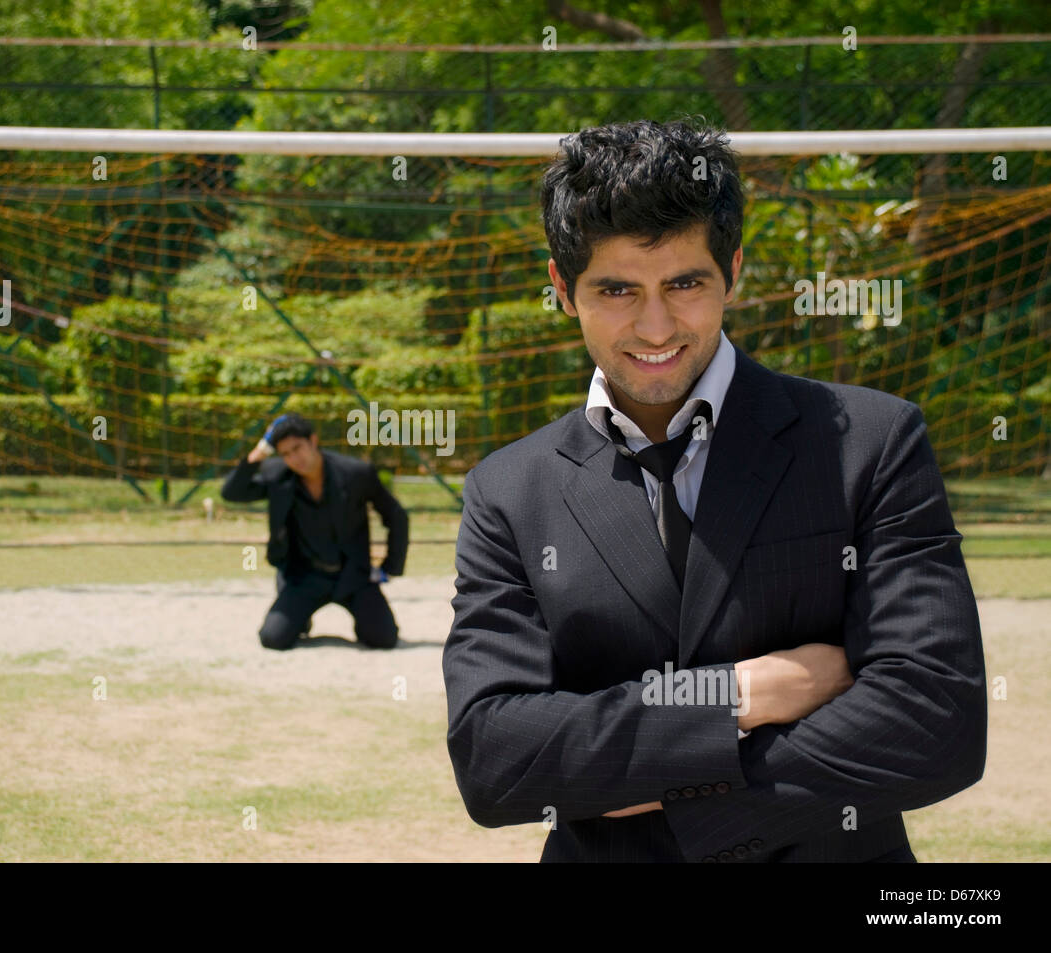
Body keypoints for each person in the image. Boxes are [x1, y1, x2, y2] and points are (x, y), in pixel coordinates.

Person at [442, 119, 987, 863]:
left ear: (732, 269)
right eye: (617, 289)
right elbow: (496, 759)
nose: (656, 324)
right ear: (562, 289)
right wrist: (736, 694)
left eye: (685, 283)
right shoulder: (507, 490)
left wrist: (675, 787)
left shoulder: (869, 440)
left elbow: (938, 721)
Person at [221, 413, 408, 650]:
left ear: (313, 440)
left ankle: (364, 618)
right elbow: (231, 493)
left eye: (297, 448)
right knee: (273, 638)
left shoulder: (355, 473)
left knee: (383, 639)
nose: (293, 458)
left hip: (352, 575)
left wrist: (389, 567)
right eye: (285, 453)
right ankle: (298, 614)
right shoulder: (278, 475)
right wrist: (260, 452)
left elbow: (396, 515)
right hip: (304, 577)